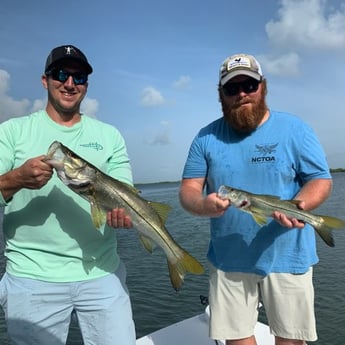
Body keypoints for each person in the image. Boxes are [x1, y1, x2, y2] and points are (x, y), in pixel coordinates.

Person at [179, 53, 332, 345]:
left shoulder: (295, 129)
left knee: (290, 340)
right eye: (231, 88)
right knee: (236, 339)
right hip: (228, 258)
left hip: (289, 255)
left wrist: (300, 207)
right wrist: (203, 205)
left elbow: (320, 180)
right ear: (220, 94)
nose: (241, 94)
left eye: (248, 85)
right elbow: (188, 190)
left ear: (263, 86)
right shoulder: (205, 137)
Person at [0, 45, 136, 345]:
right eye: (61, 74)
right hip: (31, 277)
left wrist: (123, 215)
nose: (70, 83)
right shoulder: (11, 132)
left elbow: (126, 190)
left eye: (80, 77)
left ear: (86, 84)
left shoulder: (110, 136)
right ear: (44, 80)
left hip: (103, 273)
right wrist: (15, 178)